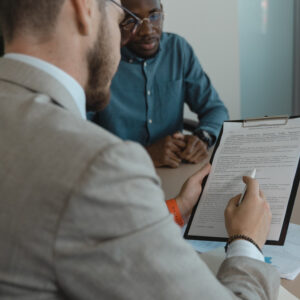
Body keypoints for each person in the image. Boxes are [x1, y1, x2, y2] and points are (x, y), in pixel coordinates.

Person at [0, 0, 279, 299]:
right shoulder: (99, 165)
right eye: (123, 16)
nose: (137, 31)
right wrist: (246, 241)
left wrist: (177, 207)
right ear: (85, 9)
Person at [89, 0, 229, 168]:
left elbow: (215, 109)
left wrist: (203, 137)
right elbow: (80, 136)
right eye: (133, 20)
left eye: (154, 16)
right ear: (117, 20)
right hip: (120, 171)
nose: (147, 31)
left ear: (162, 12)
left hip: (175, 168)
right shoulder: (101, 59)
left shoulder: (178, 49)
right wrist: (144, 154)